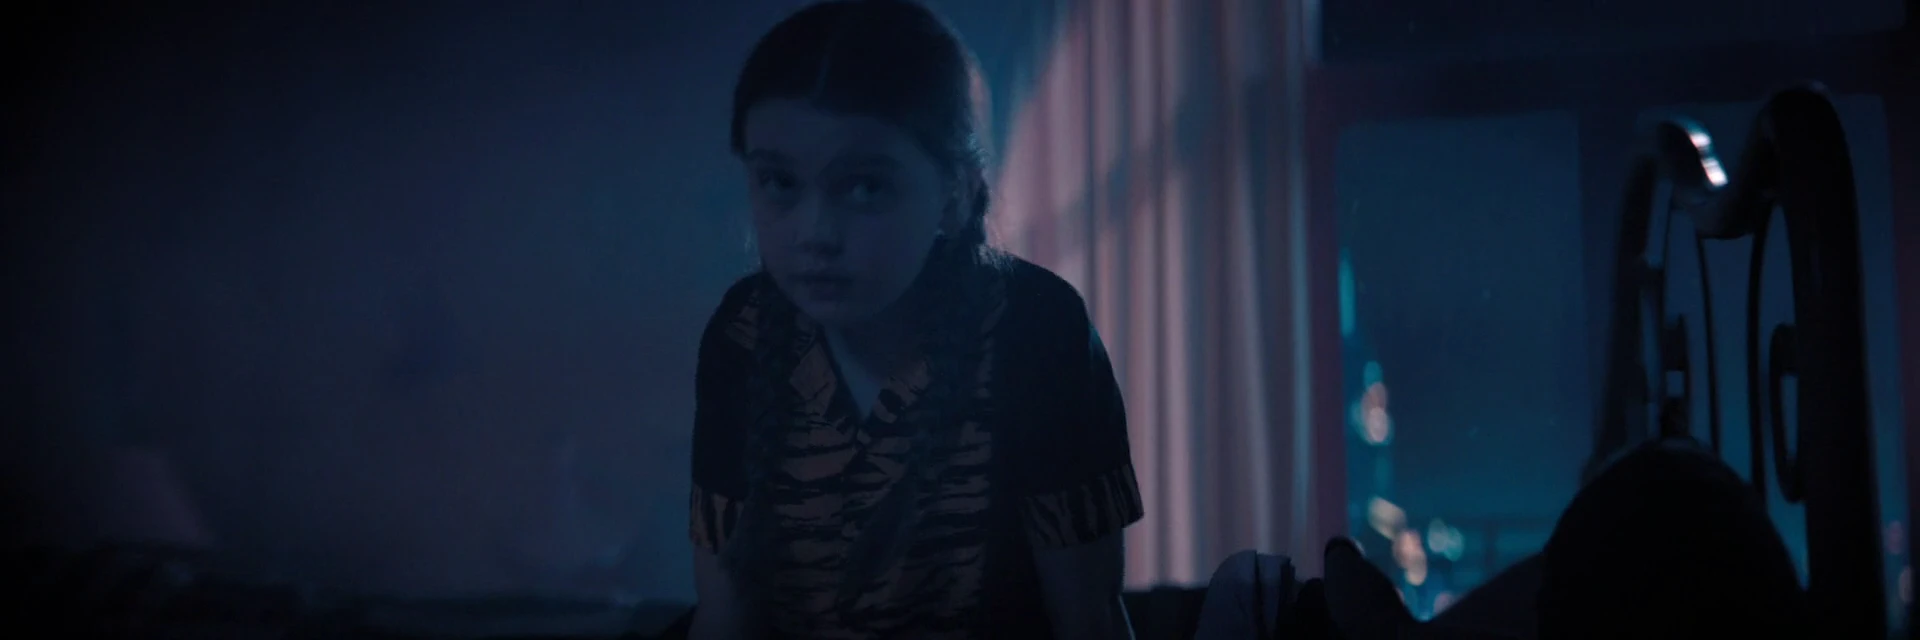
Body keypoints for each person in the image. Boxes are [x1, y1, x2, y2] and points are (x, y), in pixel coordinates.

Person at [684, 2, 1144, 638]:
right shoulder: (745, 334)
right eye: (780, 182)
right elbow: (723, 618)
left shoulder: (1033, 329)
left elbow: (1087, 619)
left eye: (865, 186)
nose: (815, 233)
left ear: (954, 193)